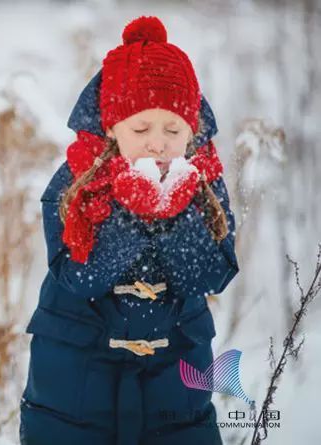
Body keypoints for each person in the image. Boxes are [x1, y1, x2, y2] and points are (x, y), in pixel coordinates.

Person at [19, 16, 240, 445]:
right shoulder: (76, 183)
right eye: (141, 129)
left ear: (190, 131)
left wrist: (173, 212)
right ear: (112, 127)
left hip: (176, 379)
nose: (157, 143)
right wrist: (133, 214)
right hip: (75, 384)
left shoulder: (202, 182)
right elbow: (77, 276)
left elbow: (213, 273)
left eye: (173, 130)